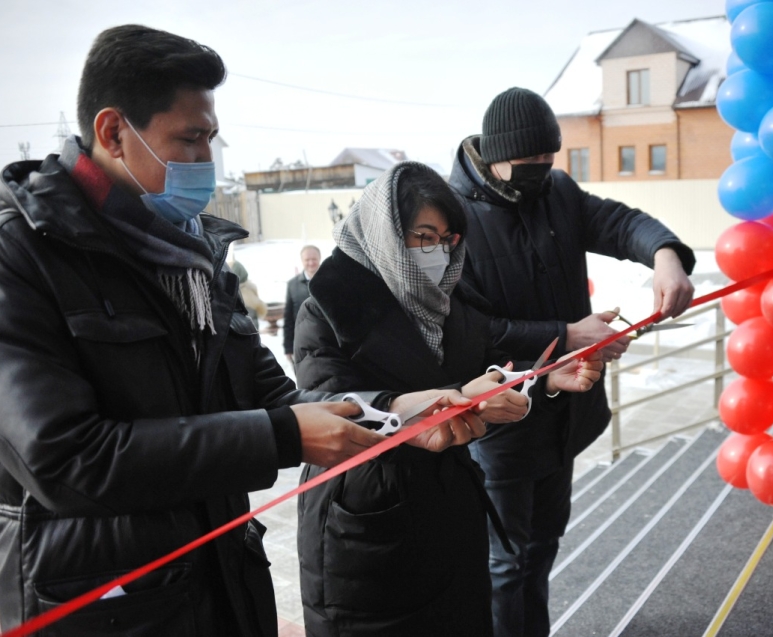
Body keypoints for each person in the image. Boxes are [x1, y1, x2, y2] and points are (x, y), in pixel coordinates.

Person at [0, 26, 482, 637]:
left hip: (219, 580)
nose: (206, 160)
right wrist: (281, 438)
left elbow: (274, 396)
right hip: (103, 602)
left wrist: (394, 413)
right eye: (190, 139)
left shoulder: (195, 258)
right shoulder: (23, 255)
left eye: (212, 140)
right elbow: (67, 459)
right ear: (113, 132)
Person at [292, 161, 604, 637]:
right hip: (365, 517)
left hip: (450, 511)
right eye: (422, 235)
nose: (435, 251)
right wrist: (453, 400)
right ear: (385, 232)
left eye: (446, 238)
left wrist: (544, 379)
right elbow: (328, 403)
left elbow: (492, 367)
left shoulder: (451, 302)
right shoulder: (329, 308)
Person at [448, 87, 696, 637]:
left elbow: (620, 223)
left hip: (565, 417)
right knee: (506, 563)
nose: (543, 170)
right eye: (530, 161)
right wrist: (565, 335)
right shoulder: (451, 217)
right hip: (501, 425)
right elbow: (467, 332)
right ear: (494, 154)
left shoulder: (556, 191)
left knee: (544, 546)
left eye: (549, 159)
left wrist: (665, 255)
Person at [284, 244, 321, 364]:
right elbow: (288, 317)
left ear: (319, 259)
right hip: (303, 344)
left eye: (314, 259)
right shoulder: (292, 285)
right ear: (302, 261)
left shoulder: (332, 281)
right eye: (307, 260)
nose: (311, 263)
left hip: (327, 342)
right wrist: (288, 347)